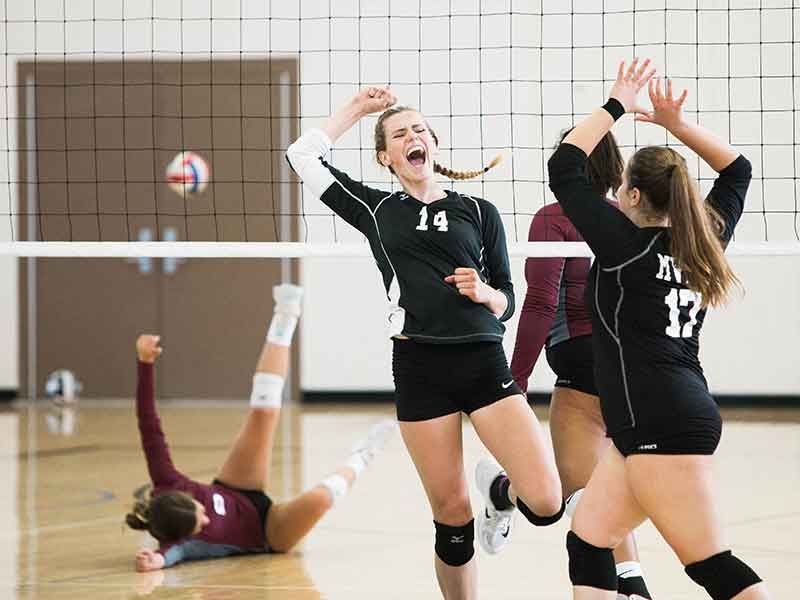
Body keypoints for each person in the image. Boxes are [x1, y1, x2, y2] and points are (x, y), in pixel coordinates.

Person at [286, 87, 563, 600]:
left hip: (483, 362)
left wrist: (485, 294)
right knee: (451, 517)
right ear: (385, 157)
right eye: (398, 134)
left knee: (547, 503)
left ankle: (498, 489)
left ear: (433, 143)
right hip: (420, 367)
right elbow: (301, 155)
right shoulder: (375, 209)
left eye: (419, 130)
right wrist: (359, 109)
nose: (412, 137)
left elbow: (509, 297)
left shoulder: (480, 211)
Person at [548, 59, 770, 600]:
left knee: (711, 566)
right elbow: (738, 172)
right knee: (590, 542)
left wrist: (617, 103)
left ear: (630, 197)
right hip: (658, 417)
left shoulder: (625, 246)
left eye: (623, 185)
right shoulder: (703, 241)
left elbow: (565, 166)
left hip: (660, 423)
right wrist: (676, 125)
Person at [126, 284, 396, 571]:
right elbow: (171, 555)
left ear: (182, 497)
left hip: (237, 488)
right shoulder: (182, 544)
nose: (206, 520)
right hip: (268, 532)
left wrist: (145, 363)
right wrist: (155, 561)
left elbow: (148, 424)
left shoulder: (166, 479)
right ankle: (363, 456)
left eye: (200, 512)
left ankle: (286, 313)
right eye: (200, 525)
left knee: (264, 412)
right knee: (320, 499)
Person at [510, 130, 652, 600]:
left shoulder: (555, 218)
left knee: (575, 499)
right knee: (603, 489)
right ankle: (633, 582)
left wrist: (514, 384)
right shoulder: (631, 220)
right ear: (616, 167)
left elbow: (538, 303)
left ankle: (498, 493)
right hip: (636, 367)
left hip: (582, 361)